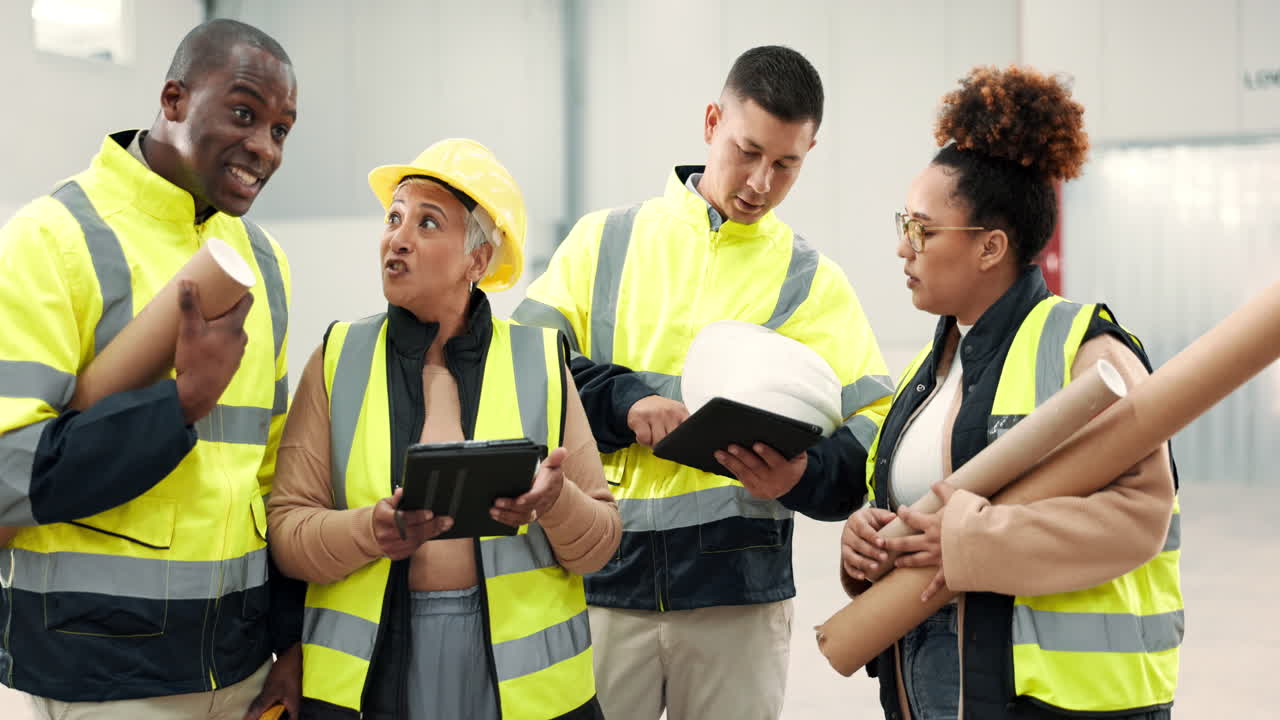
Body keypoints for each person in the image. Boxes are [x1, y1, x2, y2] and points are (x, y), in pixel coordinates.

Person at [515, 46, 892, 719]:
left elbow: (872, 435)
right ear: (712, 121)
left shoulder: (812, 282)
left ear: (811, 151)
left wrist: (800, 476)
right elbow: (525, 370)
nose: (760, 182)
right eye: (747, 152)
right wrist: (625, 401)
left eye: (786, 165)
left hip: (737, 602)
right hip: (600, 583)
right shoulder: (603, 243)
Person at [839, 66, 1182, 719]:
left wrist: (969, 543)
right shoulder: (930, 373)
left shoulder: (1086, 353)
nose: (901, 248)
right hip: (938, 689)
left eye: (921, 229)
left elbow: (1139, 516)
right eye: (902, 224)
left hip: (1058, 701)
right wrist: (866, 541)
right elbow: (911, 517)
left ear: (990, 247)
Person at [0, 18, 305, 720]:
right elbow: (10, 472)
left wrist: (288, 642)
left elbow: (271, 475)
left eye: (281, 129)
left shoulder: (263, 261)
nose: (263, 147)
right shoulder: (52, 238)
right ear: (172, 100)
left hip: (235, 668)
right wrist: (178, 406)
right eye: (243, 112)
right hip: (101, 674)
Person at [267, 139, 620, 720]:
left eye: (427, 223)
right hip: (374, 677)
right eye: (394, 217)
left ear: (477, 261)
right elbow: (287, 530)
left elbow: (601, 544)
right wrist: (369, 532)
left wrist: (556, 501)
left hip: (520, 690)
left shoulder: (539, 359)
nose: (397, 238)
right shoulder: (337, 357)